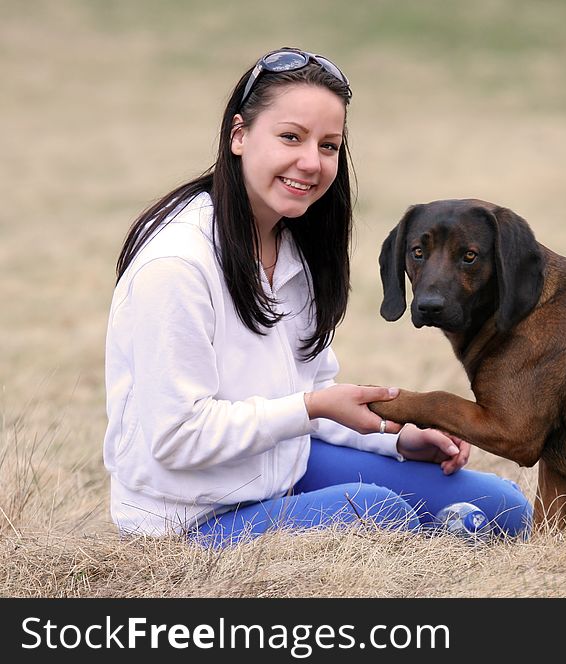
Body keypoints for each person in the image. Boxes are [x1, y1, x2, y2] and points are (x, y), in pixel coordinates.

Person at [103, 47, 532, 547]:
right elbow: (177, 437)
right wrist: (311, 407)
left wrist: (396, 438)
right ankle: (432, 537)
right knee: (377, 513)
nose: (311, 162)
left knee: (505, 507)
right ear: (239, 135)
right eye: (291, 137)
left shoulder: (293, 246)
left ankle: (440, 530)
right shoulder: (176, 266)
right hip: (189, 516)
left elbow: (315, 398)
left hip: (281, 468)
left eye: (329, 145)